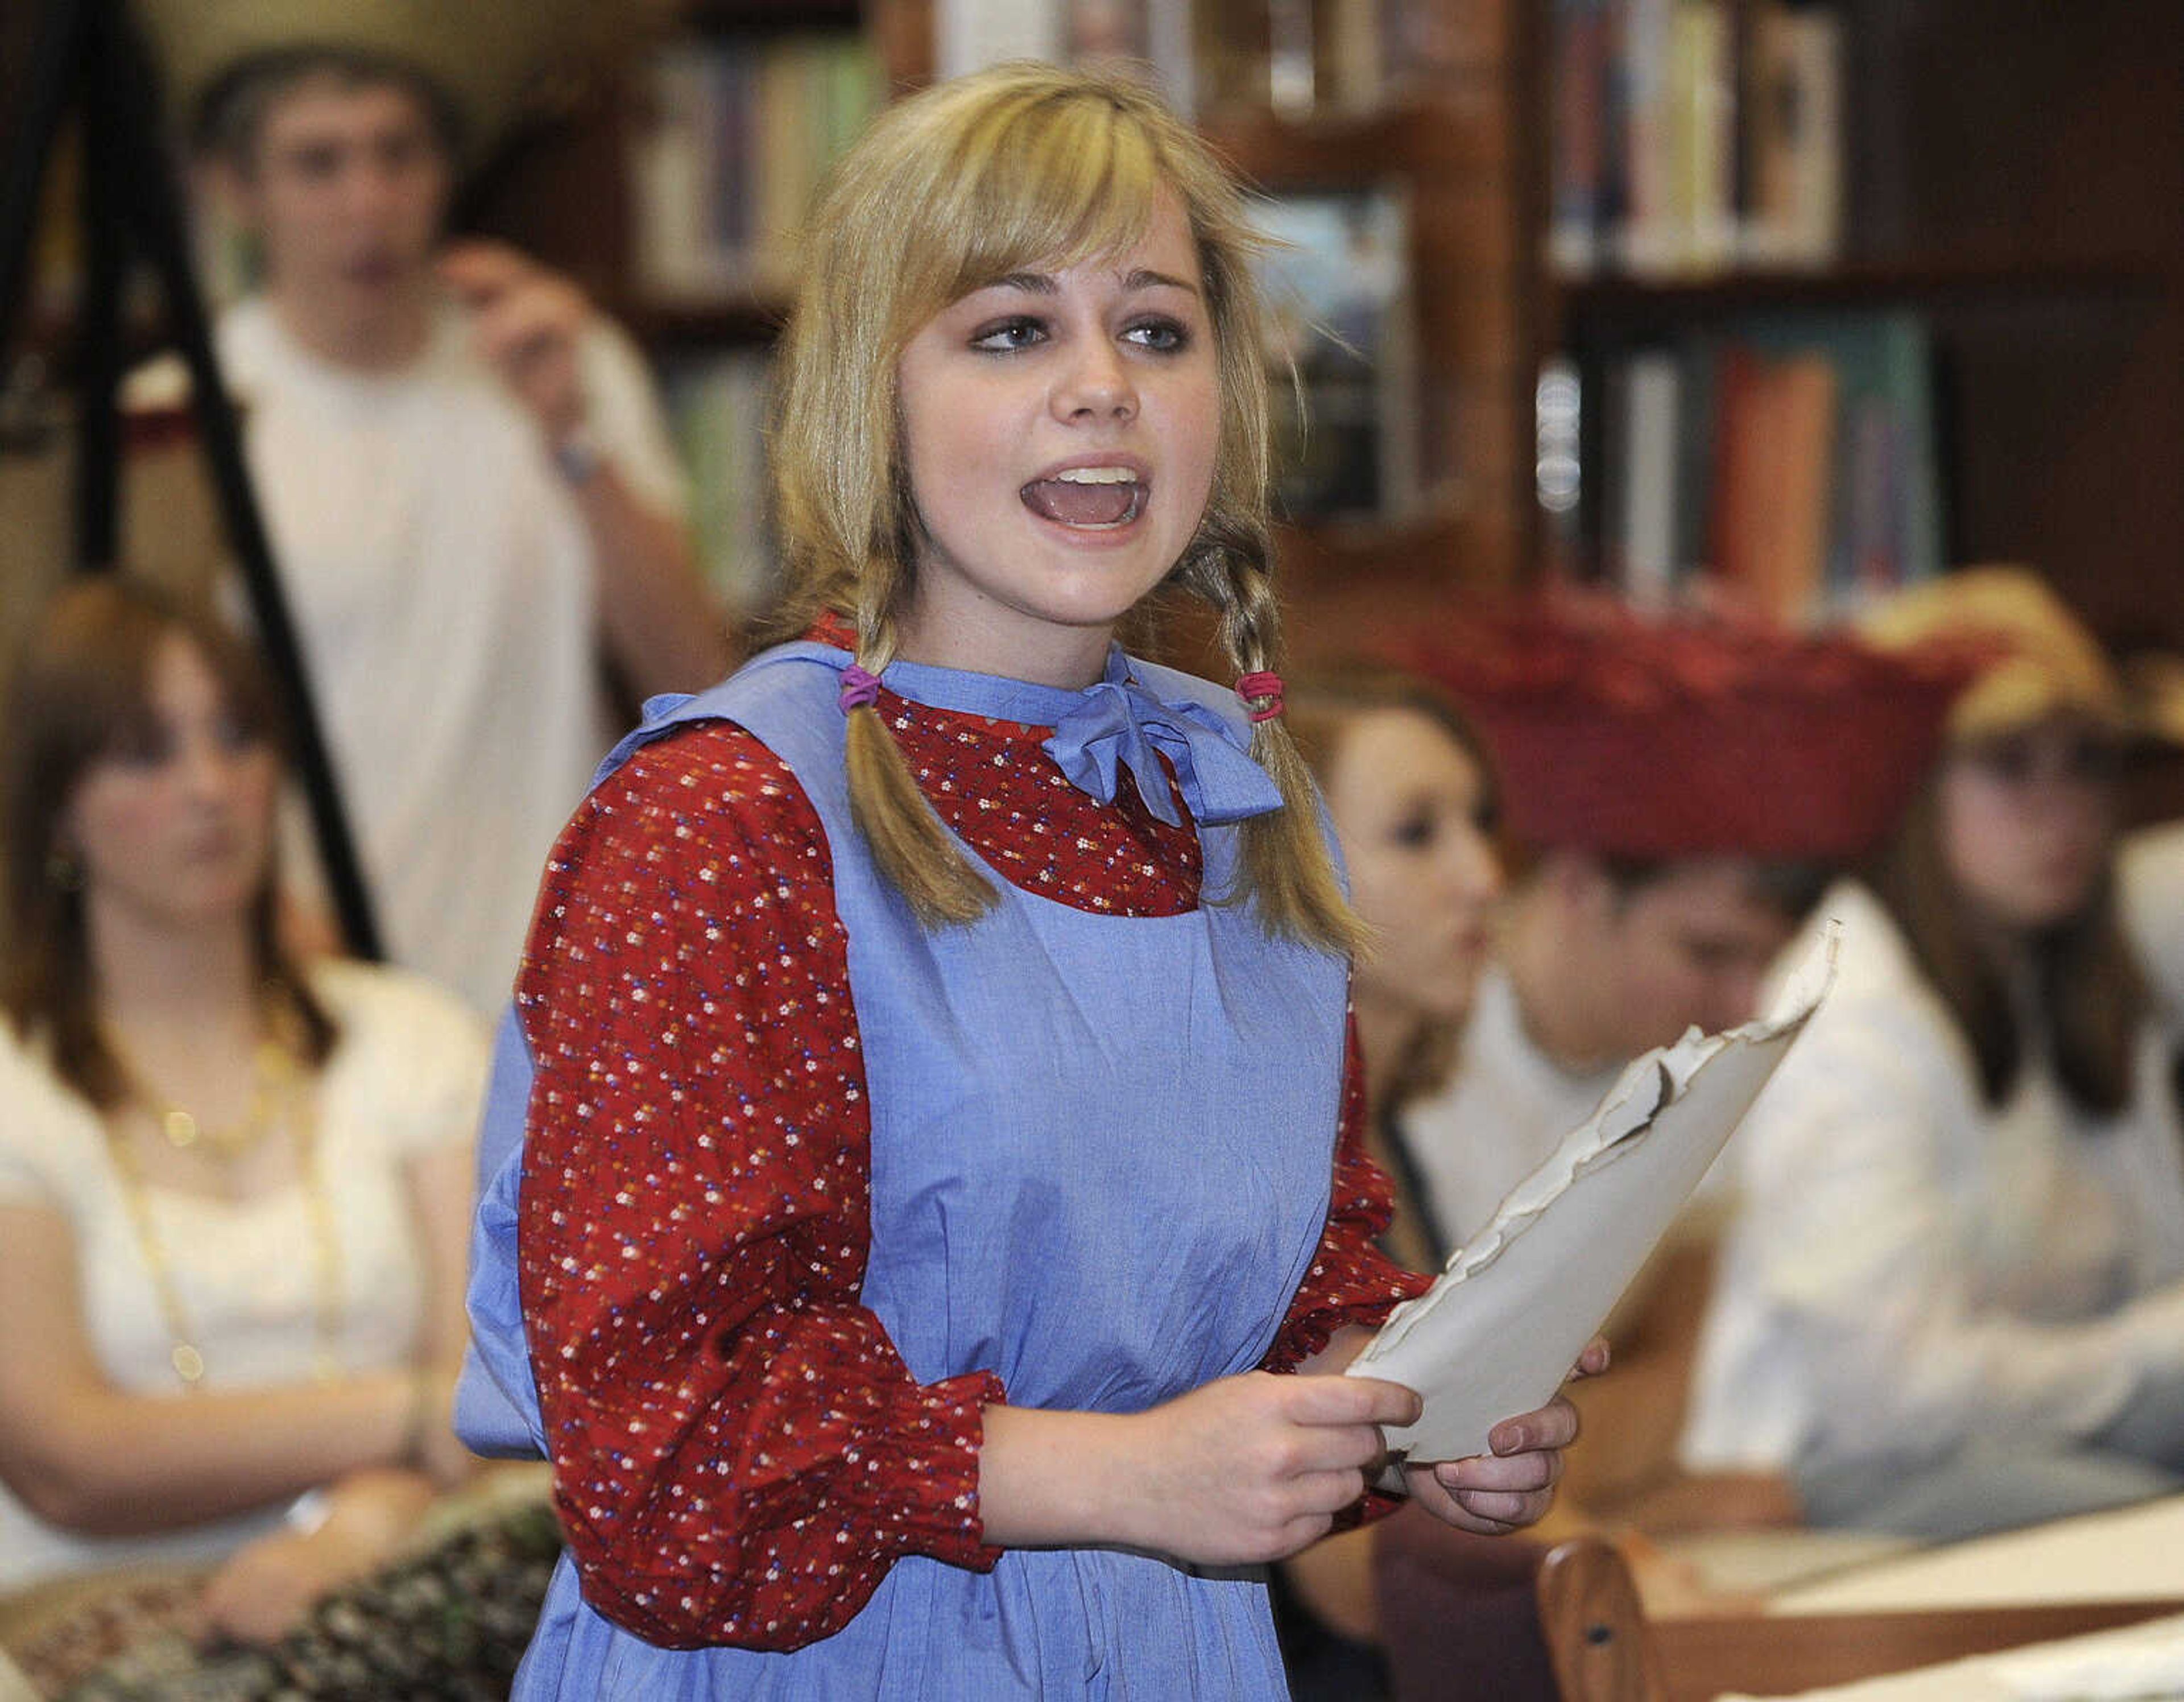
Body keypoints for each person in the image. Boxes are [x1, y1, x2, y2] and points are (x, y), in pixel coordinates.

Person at [460, 63, 1592, 1697]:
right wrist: (1123, 1476)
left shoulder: (1238, 794)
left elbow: (1288, 1293)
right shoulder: (722, 821)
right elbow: (662, 1462)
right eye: (1011, 331)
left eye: (1154, 328)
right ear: (873, 390)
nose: (1101, 387)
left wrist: (1414, 1407)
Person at [168, 23, 733, 1013]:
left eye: (400, 153)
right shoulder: (183, 419)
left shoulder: (563, 362)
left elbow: (703, 687)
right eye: (318, 163)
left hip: (562, 994)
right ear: (234, 189)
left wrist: (570, 435)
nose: (368, 202)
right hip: (313, 1000)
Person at [0, 579, 488, 1675]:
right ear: (58, 807)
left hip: (393, 1573)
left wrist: (349, 1532)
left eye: (237, 737)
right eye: (145, 753)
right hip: (78, 1621)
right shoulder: (13, 1089)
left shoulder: (411, 1040)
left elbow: (488, 1390)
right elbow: (65, 1458)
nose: (211, 788)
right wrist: (407, 1415)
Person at [1399, 593, 1964, 1523]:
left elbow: (1678, 1398)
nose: (1744, 1006)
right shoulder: (1422, 1068)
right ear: (1580, 887)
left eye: (1763, 963)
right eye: (1707, 953)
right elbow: (1428, 1462)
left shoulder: (1693, 1070)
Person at [1682, 567, 2184, 1542]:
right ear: (1911, 783)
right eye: (2008, 763)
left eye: (2086, 762)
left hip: (2032, 1441)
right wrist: (2159, 1349)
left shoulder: (2071, 969)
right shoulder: (1847, 1011)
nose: (2060, 805)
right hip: (1833, 1486)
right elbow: (1892, 1400)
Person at [1272, 665, 1517, 1698]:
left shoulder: (1397, 1131)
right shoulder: (1267, 1165)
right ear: (1289, 866)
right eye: (1418, 835)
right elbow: (1355, 1574)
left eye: (1481, 823)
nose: (1485, 877)